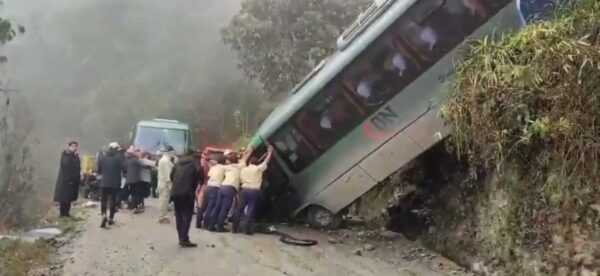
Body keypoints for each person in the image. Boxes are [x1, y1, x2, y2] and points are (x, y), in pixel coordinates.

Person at [232, 145, 274, 234]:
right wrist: (270, 152)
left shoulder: (243, 169)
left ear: (250, 162)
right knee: (251, 209)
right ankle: (247, 229)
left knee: (239, 208)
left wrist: (249, 150)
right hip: (254, 191)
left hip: (243, 190)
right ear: (256, 163)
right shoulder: (258, 169)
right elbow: (266, 161)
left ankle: (234, 228)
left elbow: (243, 160)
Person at [208, 149, 252, 232]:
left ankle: (211, 226)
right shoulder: (240, 166)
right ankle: (219, 227)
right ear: (237, 161)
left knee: (217, 207)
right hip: (230, 189)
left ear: (229, 161)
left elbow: (214, 163)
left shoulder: (226, 167)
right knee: (225, 208)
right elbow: (245, 158)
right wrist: (250, 150)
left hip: (222, 187)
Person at [170, 150, 203, 248]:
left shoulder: (177, 163)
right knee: (187, 216)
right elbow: (200, 176)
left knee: (179, 215)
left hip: (175, 192)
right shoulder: (195, 163)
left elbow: (171, 176)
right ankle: (184, 239)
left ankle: (181, 237)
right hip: (188, 193)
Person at [97, 142, 126, 228]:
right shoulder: (119, 158)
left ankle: (103, 215)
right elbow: (125, 168)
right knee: (113, 200)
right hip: (115, 183)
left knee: (104, 200)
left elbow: (99, 170)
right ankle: (111, 218)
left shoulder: (102, 158)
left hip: (104, 182)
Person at [197, 155, 226, 230]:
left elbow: (209, 176)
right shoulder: (224, 168)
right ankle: (206, 224)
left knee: (203, 206)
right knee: (211, 207)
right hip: (216, 188)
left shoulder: (213, 167)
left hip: (208, 187)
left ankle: (198, 223)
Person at [53, 141, 81, 218]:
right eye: (73, 146)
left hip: (73, 181)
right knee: (64, 198)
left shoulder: (76, 156)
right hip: (65, 181)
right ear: (69, 147)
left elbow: (77, 167)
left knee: (69, 198)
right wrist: (70, 178)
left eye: (75, 146)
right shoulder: (66, 155)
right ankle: (62, 213)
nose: (74, 148)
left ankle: (67, 212)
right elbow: (66, 166)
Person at [157, 146, 175, 223]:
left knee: (163, 200)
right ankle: (162, 217)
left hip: (161, 182)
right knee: (164, 201)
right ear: (169, 152)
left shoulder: (163, 160)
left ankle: (163, 216)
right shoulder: (166, 161)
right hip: (165, 184)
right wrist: (170, 186)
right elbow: (168, 175)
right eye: (173, 152)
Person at [125, 148, 145, 214]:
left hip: (129, 179)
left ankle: (131, 206)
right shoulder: (135, 160)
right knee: (136, 194)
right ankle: (135, 207)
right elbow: (142, 166)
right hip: (135, 180)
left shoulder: (127, 160)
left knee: (132, 193)